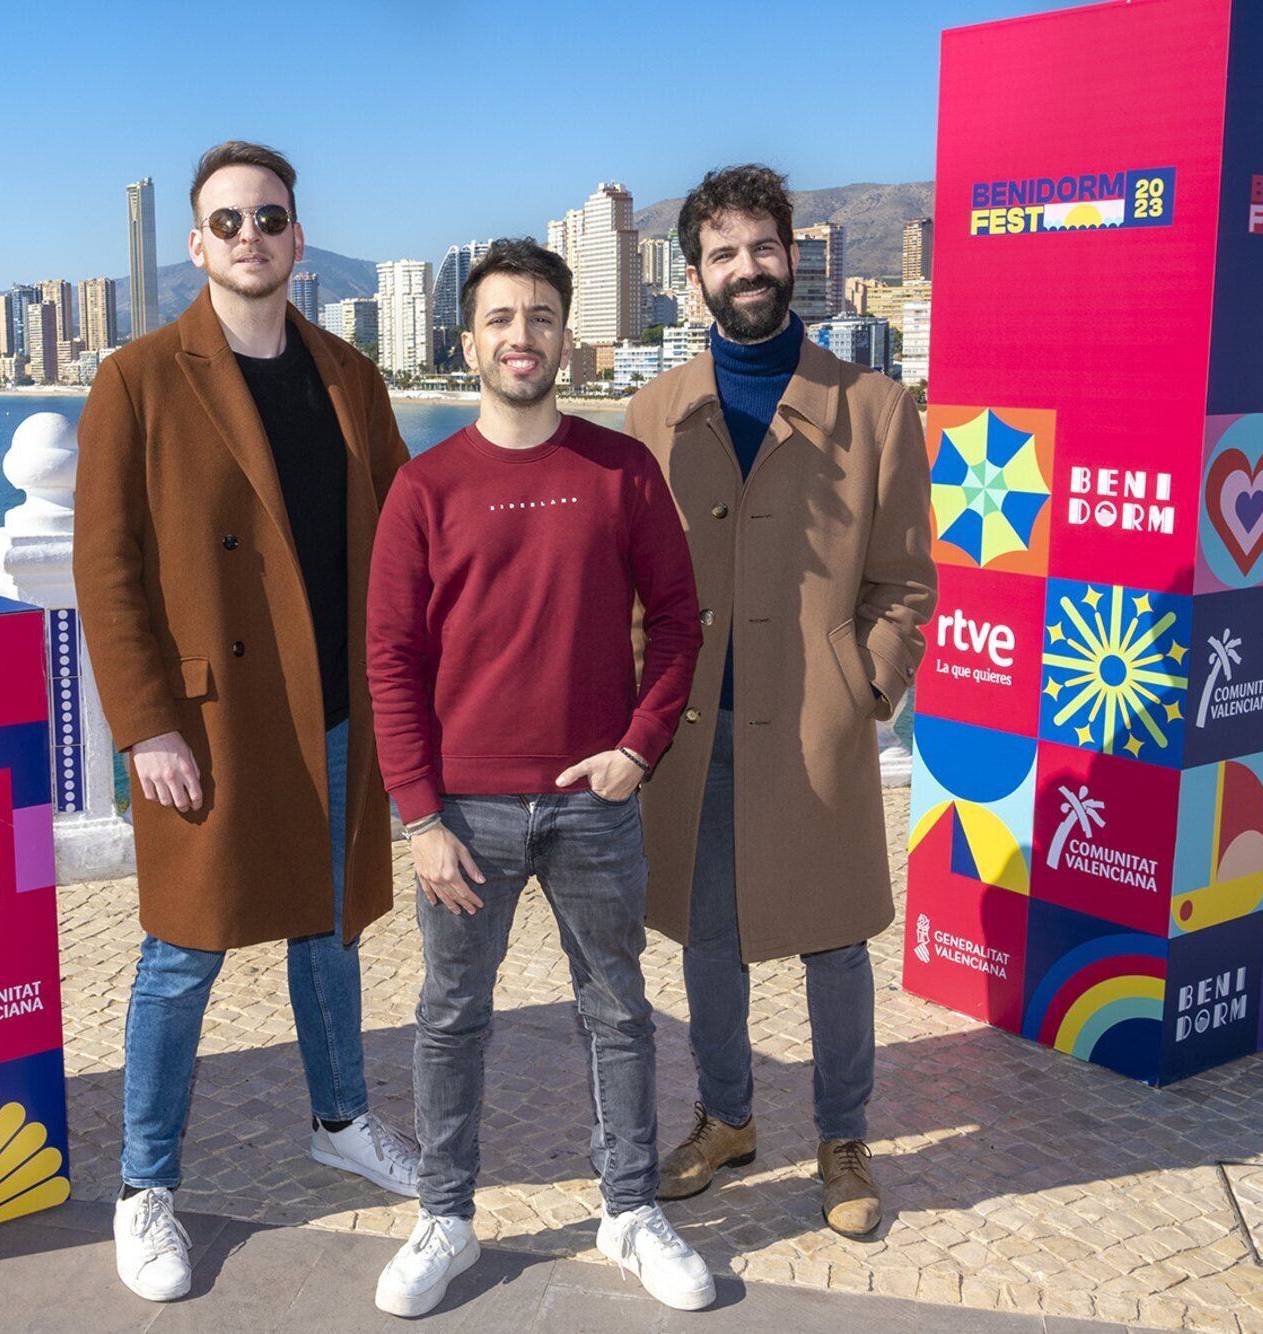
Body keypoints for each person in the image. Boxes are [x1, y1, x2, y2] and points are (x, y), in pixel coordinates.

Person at [74, 140, 418, 1303]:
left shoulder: (347, 373)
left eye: (268, 218)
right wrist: (143, 725)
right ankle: (144, 1184)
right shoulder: (138, 376)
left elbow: (409, 531)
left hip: (333, 710)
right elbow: (107, 566)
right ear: (196, 244)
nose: (249, 238)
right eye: (226, 222)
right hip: (209, 725)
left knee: (328, 932)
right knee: (182, 952)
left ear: (297, 237)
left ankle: (339, 1118)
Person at [365, 239, 714, 1318]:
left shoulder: (619, 472)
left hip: (591, 804)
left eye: (541, 317)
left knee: (616, 1008)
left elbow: (679, 627)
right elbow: (391, 658)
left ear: (568, 335)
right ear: (465, 341)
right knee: (447, 1015)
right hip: (462, 812)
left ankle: (627, 1209)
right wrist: (418, 814)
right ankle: (446, 1216)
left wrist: (636, 749)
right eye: (501, 319)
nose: (522, 336)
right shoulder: (424, 488)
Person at [624, 164, 935, 1239]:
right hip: (691, 724)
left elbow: (904, 579)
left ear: (792, 254)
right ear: (693, 275)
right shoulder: (651, 413)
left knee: (834, 938)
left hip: (815, 721)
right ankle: (726, 1116)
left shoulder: (874, 407)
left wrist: (865, 686)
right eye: (721, 253)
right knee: (706, 934)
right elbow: (628, 581)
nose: (744, 268)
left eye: (761, 247)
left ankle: (842, 1138)